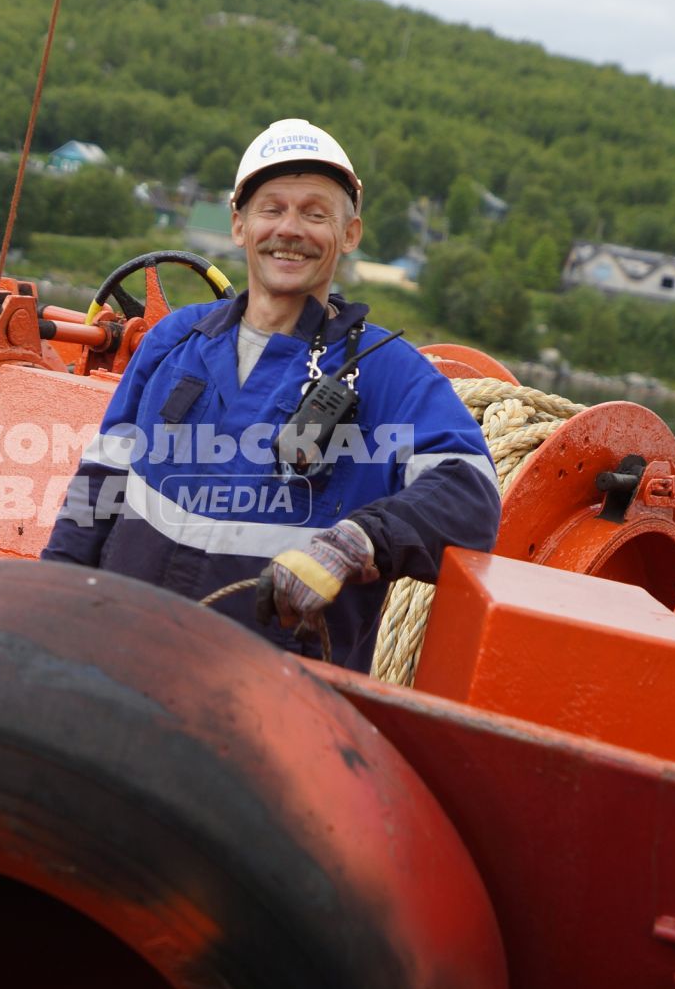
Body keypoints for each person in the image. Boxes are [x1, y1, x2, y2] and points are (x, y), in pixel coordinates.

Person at [40, 118, 500, 672]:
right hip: (120, 663)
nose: (291, 229)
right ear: (239, 225)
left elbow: (470, 494)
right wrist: (48, 611)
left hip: (273, 704)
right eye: (272, 209)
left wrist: (356, 543)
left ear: (349, 234)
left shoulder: (387, 376)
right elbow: (96, 492)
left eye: (315, 213)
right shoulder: (173, 341)